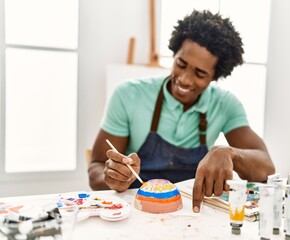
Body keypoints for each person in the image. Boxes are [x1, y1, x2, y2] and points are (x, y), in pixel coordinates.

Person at [88, 10, 275, 213]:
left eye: (200, 73)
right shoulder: (128, 95)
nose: (185, 79)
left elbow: (266, 168)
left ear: (215, 76)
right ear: (174, 54)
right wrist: (113, 177)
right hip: (136, 212)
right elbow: (96, 168)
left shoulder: (225, 105)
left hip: (191, 216)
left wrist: (230, 153)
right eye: (181, 64)